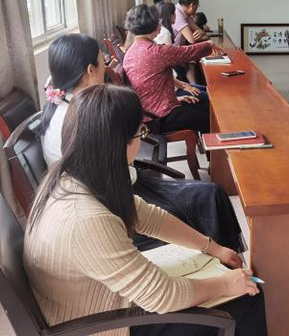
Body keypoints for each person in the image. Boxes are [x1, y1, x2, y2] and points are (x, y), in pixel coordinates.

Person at [25, 85, 267, 336]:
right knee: (247, 300)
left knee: (222, 275)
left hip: (100, 299)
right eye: (140, 132)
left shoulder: (74, 176)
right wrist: (225, 284)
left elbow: (148, 216)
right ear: (119, 144)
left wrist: (212, 247)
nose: (142, 138)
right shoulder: (85, 219)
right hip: (102, 324)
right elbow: (164, 297)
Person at [40, 34, 243, 252]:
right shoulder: (84, 115)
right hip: (108, 201)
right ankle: (227, 260)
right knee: (208, 198)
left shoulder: (63, 106)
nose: (106, 66)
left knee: (210, 194)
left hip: (112, 187)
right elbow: (113, 180)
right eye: (103, 61)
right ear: (91, 70)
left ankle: (228, 258)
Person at [124, 4, 221, 134]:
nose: (160, 23)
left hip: (148, 114)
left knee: (206, 107)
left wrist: (175, 99)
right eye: (158, 20)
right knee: (213, 119)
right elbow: (188, 52)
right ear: (152, 24)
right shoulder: (156, 52)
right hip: (160, 118)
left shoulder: (131, 51)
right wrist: (210, 44)